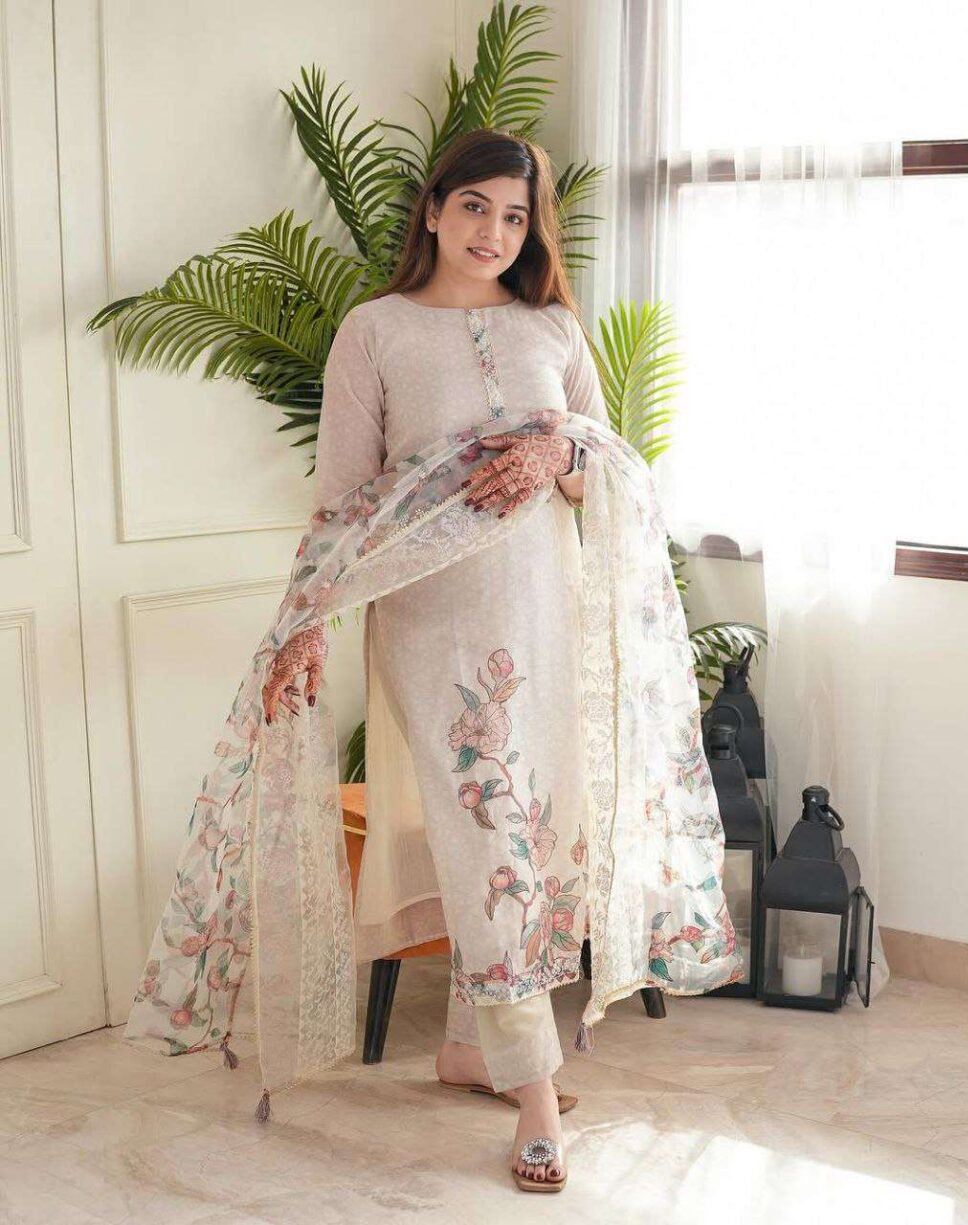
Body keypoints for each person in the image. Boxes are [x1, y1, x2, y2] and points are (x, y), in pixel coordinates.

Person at [260, 128, 607, 1192]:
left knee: (524, 832)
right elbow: (342, 497)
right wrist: (306, 620)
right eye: (474, 208)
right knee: (486, 826)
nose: (493, 232)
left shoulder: (552, 325)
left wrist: (556, 450)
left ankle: (467, 1047)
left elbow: (604, 467)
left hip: (543, 615)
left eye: (514, 215)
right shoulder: (376, 331)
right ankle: (534, 1092)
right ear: (433, 209)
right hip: (432, 621)